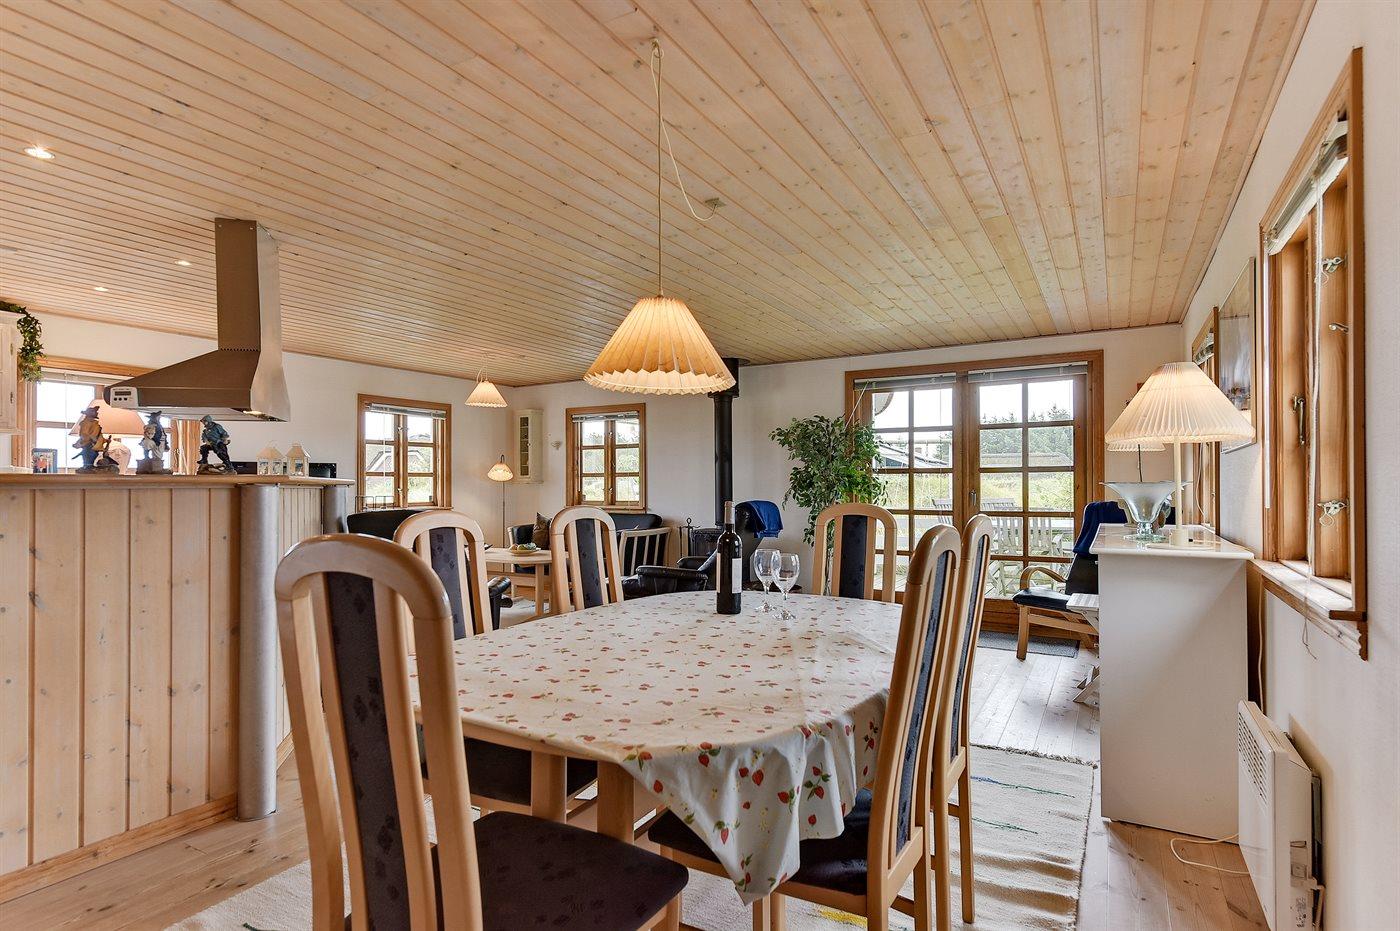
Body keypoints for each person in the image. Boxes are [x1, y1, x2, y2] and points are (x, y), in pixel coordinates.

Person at [72, 403, 104, 471]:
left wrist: (103, 440)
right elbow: (84, 433)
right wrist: (91, 439)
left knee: (93, 454)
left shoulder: (94, 423)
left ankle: (89, 466)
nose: (96, 413)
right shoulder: (85, 423)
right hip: (89, 443)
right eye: (93, 412)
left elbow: (97, 434)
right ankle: (88, 466)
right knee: (89, 454)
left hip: (93, 443)